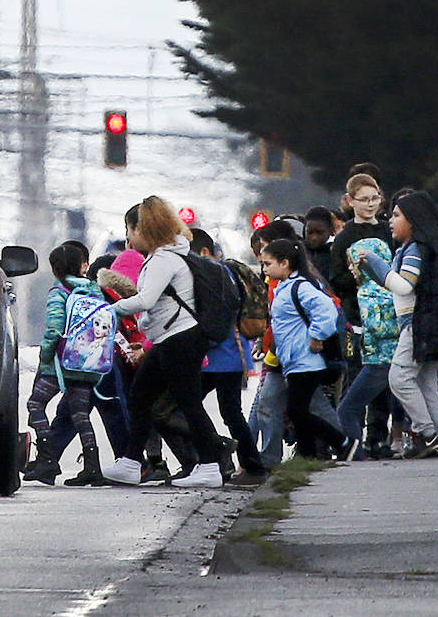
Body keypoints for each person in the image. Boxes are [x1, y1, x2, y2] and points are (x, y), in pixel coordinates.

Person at [101, 197, 226, 488]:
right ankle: (132, 462)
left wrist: (111, 308)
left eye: (134, 229)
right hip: (170, 338)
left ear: (145, 230)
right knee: (141, 397)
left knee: (187, 403)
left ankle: (210, 465)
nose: (130, 237)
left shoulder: (163, 260)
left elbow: (146, 299)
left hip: (180, 339)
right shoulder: (170, 256)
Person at [360, 192, 438, 459]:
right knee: (426, 381)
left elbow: (404, 285)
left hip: (417, 325)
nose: (391, 221)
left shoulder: (415, 250)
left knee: (399, 378)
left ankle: (426, 433)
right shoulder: (418, 248)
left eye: (396, 215)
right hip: (428, 325)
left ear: (414, 220)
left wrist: (374, 262)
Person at [260, 239, 356, 460]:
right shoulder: (285, 287)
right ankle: (308, 455)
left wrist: (317, 336)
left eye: (268, 263)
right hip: (295, 361)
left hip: (306, 360)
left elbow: (327, 310)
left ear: (284, 263)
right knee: (299, 411)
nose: (264, 269)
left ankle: (341, 442)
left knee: (297, 411)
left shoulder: (300, 286)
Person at [24, 243, 110, 487]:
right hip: (88, 363)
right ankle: (93, 467)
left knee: (35, 403)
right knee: (80, 414)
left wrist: (45, 356)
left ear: (55, 268)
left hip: (61, 364)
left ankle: (47, 459)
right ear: (82, 265)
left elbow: (54, 329)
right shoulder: (94, 291)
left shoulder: (59, 291)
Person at [191, 230, 267, 487]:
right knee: (212, 409)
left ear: (203, 253)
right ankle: (224, 457)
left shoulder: (217, 276)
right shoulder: (223, 273)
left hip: (224, 355)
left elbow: (218, 317)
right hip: (226, 355)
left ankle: (250, 465)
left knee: (227, 411)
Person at [335, 235, 398, 459]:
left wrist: (359, 333)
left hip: (377, 361)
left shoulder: (368, 292)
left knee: (347, 408)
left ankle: (354, 453)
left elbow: (378, 327)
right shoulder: (393, 285)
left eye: (354, 264)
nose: (351, 270)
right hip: (399, 359)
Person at [303, 207, 335, 281]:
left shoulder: (336, 252)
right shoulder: (299, 252)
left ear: (330, 230)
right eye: (310, 233)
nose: (314, 238)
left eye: (319, 233)